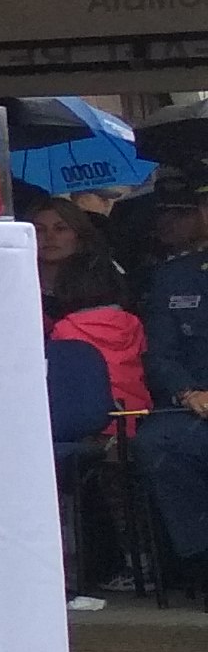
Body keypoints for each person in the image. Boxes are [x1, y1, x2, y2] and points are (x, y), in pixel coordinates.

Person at [135, 178, 208, 596]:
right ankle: (200, 557)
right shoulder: (176, 275)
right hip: (195, 405)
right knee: (157, 443)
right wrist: (187, 392)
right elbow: (160, 353)